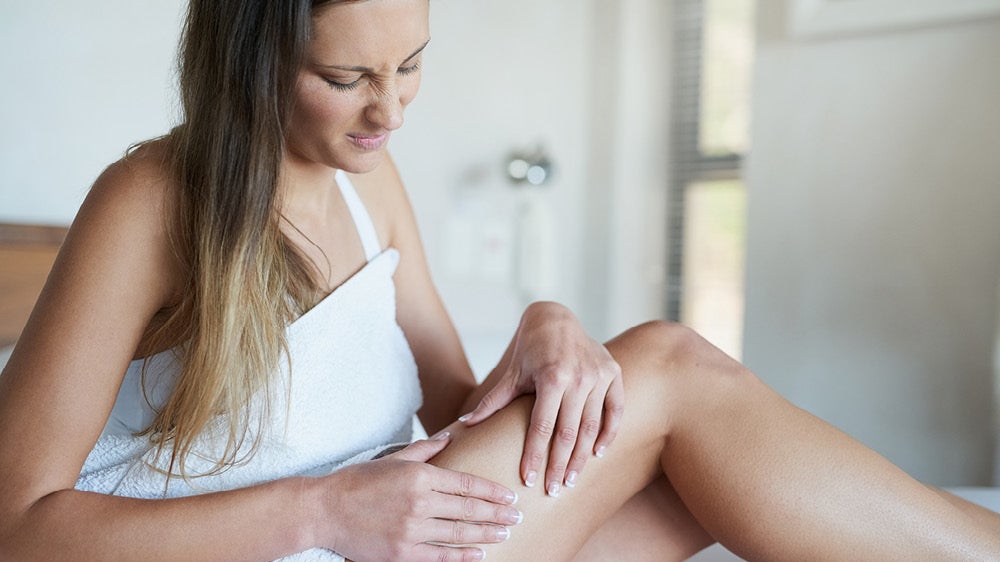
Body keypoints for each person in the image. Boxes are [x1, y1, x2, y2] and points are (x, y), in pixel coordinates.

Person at [0, 0, 998, 560]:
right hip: (283, 547)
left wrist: (544, 326)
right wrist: (323, 509)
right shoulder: (147, 201)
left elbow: (457, 414)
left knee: (706, 479)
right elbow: (17, 522)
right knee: (668, 365)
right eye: (344, 78)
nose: (386, 110)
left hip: (390, 533)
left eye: (411, 65)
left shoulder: (367, 179)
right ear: (249, 60)